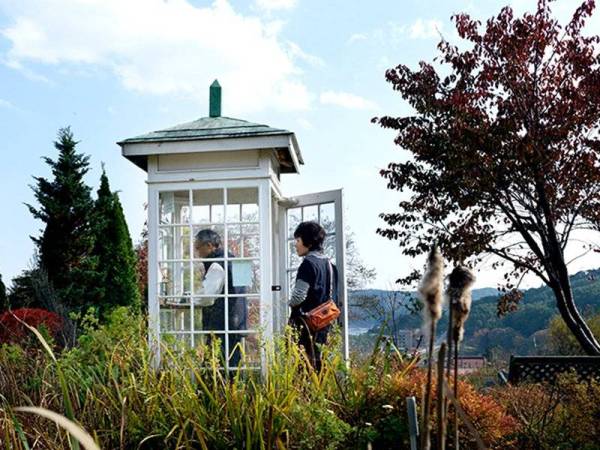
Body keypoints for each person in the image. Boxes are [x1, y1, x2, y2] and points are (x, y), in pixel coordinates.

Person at [288, 221, 338, 371]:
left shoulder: (308, 264)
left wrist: (288, 303)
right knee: (319, 364)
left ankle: (304, 394)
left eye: (298, 240)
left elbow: (299, 296)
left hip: (306, 324)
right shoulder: (329, 265)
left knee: (303, 365)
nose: (295, 244)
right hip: (324, 322)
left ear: (308, 242)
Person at [194, 229, 247, 367]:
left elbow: (207, 296)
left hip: (221, 322)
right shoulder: (239, 261)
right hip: (239, 323)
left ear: (210, 245)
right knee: (233, 364)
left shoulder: (217, 264)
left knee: (214, 367)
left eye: (198, 248)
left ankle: (212, 389)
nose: (197, 252)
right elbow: (244, 293)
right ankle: (233, 388)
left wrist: (188, 300)